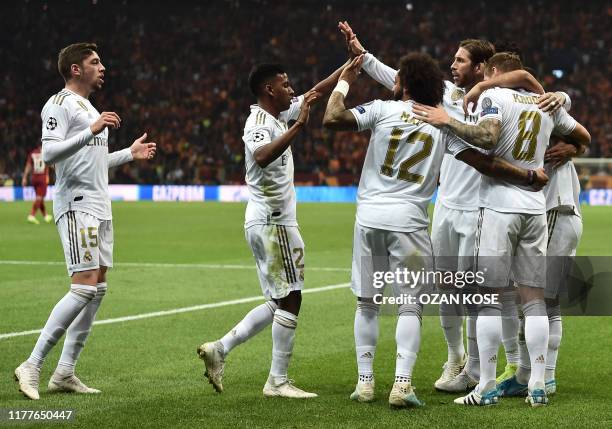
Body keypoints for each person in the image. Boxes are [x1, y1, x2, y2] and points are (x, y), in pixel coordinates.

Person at [338, 21, 571, 392]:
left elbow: (558, 128)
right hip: (446, 206)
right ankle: (456, 360)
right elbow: (395, 76)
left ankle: (497, 366)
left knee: (486, 292)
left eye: (461, 61)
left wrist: (562, 107)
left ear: (481, 67)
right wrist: (361, 54)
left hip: (481, 205)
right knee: (449, 291)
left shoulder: (500, 100)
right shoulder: (443, 94)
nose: (452, 66)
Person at [413, 52, 590, 407]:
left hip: (506, 206)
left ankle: (488, 385)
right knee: (536, 299)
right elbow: (582, 135)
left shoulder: (495, 97)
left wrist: (448, 119)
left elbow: (488, 140)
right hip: (536, 209)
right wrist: (573, 142)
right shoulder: (546, 102)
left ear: (492, 71)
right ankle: (537, 382)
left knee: (491, 298)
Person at [14, 42, 156, 401]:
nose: (103, 67)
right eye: (95, 62)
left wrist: (128, 154)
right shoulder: (59, 104)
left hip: (99, 205)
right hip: (77, 204)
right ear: (76, 69)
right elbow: (48, 153)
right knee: (83, 286)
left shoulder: (88, 107)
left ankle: (65, 372)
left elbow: (92, 161)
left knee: (98, 287)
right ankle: (32, 364)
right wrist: (91, 129)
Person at [197, 61, 347, 399]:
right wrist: (297, 127)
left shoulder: (279, 114)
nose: (292, 90)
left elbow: (316, 93)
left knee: (277, 300)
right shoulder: (259, 122)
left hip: (269, 221)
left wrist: (351, 65)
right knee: (291, 298)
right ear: (269, 89)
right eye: (285, 84)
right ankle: (277, 381)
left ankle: (220, 348)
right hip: (273, 221)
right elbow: (263, 155)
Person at [22, 145, 53, 224]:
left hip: (34, 178)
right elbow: (51, 164)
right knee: (39, 197)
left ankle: (45, 215)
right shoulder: (46, 152)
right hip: (43, 178)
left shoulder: (33, 153)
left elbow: (28, 166)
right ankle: (31, 215)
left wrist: (25, 177)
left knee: (39, 197)